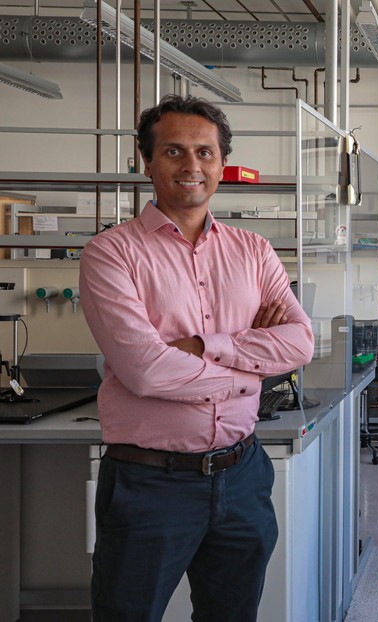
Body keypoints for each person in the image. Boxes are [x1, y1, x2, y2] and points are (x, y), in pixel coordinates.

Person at [79, 94, 315, 622]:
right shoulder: (112, 253)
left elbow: (300, 343)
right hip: (149, 485)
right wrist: (246, 375)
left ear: (221, 163)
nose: (192, 166)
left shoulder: (253, 251)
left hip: (242, 475)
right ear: (148, 162)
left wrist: (208, 348)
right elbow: (145, 369)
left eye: (206, 153)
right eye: (174, 151)